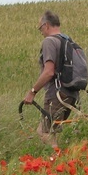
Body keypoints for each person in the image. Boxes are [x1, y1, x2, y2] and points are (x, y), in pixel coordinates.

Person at [22, 10, 79, 149]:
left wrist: (32, 91)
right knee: (53, 132)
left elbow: (48, 72)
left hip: (57, 94)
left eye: (40, 28)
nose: (41, 31)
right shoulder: (67, 40)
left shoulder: (49, 42)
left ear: (46, 25)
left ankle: (60, 161)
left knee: (44, 132)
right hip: (72, 93)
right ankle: (62, 161)